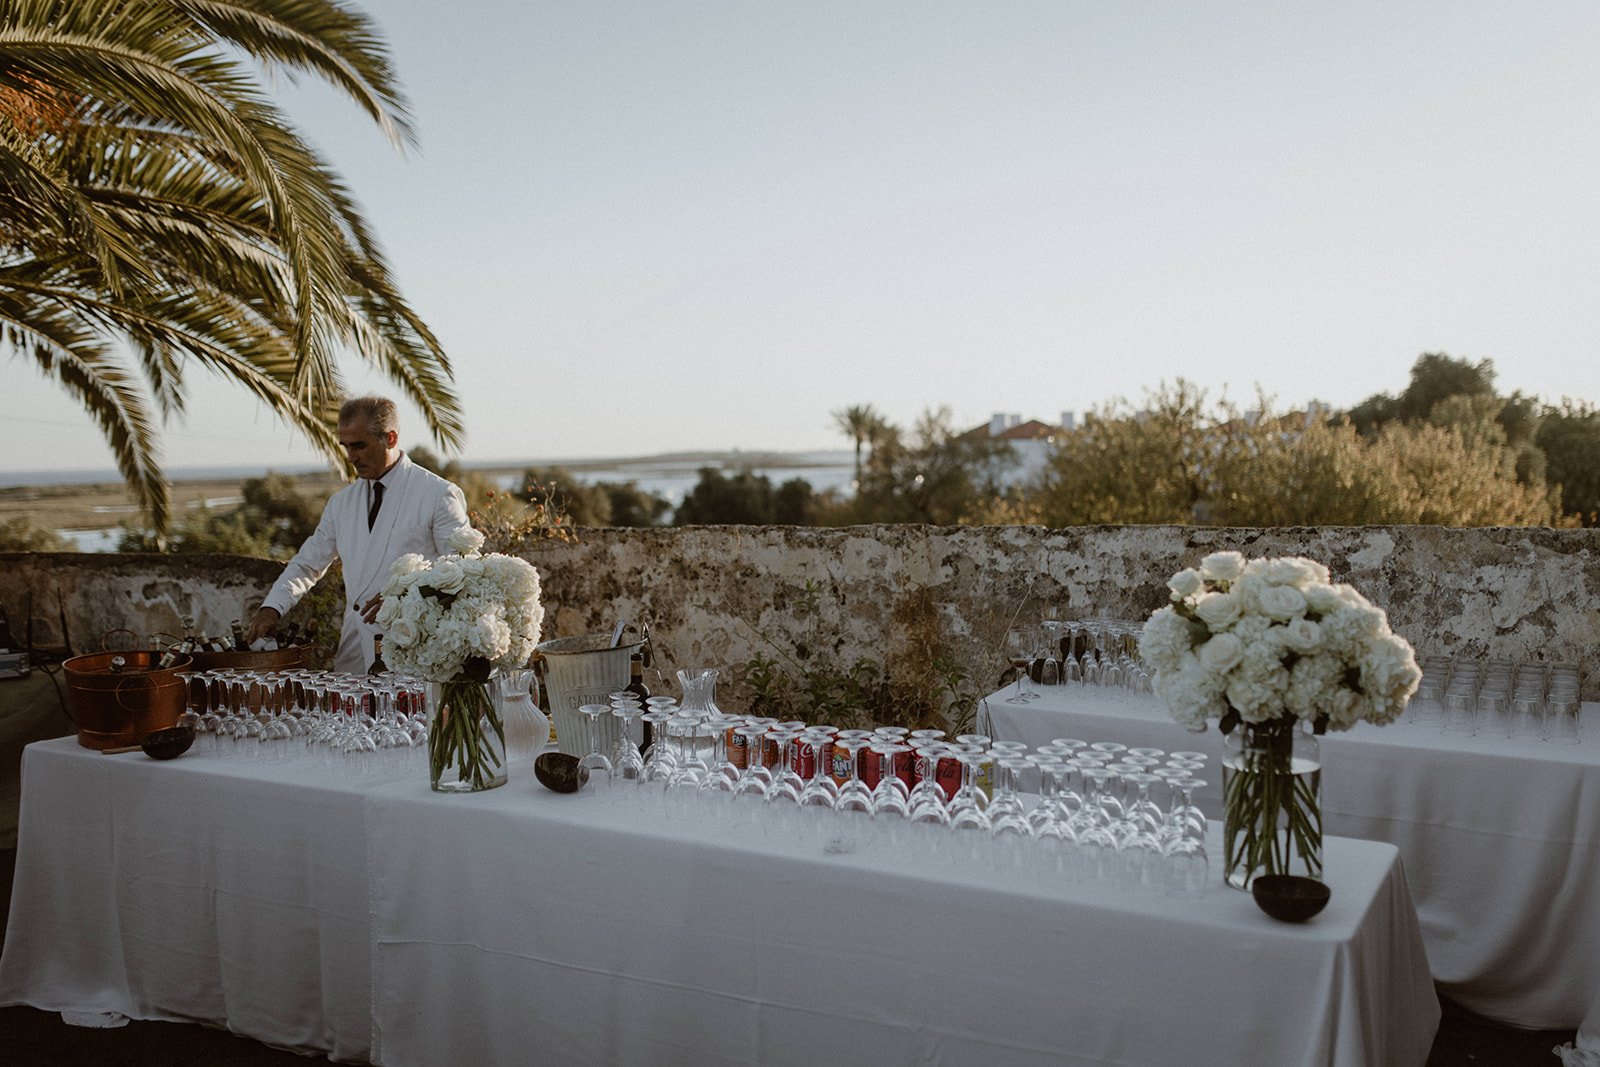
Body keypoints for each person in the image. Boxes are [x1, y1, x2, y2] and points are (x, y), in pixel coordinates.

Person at [246, 396, 471, 673]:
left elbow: (462, 570)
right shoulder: (341, 503)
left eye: (359, 446)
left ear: (390, 438)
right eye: (346, 446)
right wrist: (272, 607)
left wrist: (406, 598)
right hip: (355, 648)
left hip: (414, 647)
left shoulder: (437, 494)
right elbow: (308, 563)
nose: (351, 457)